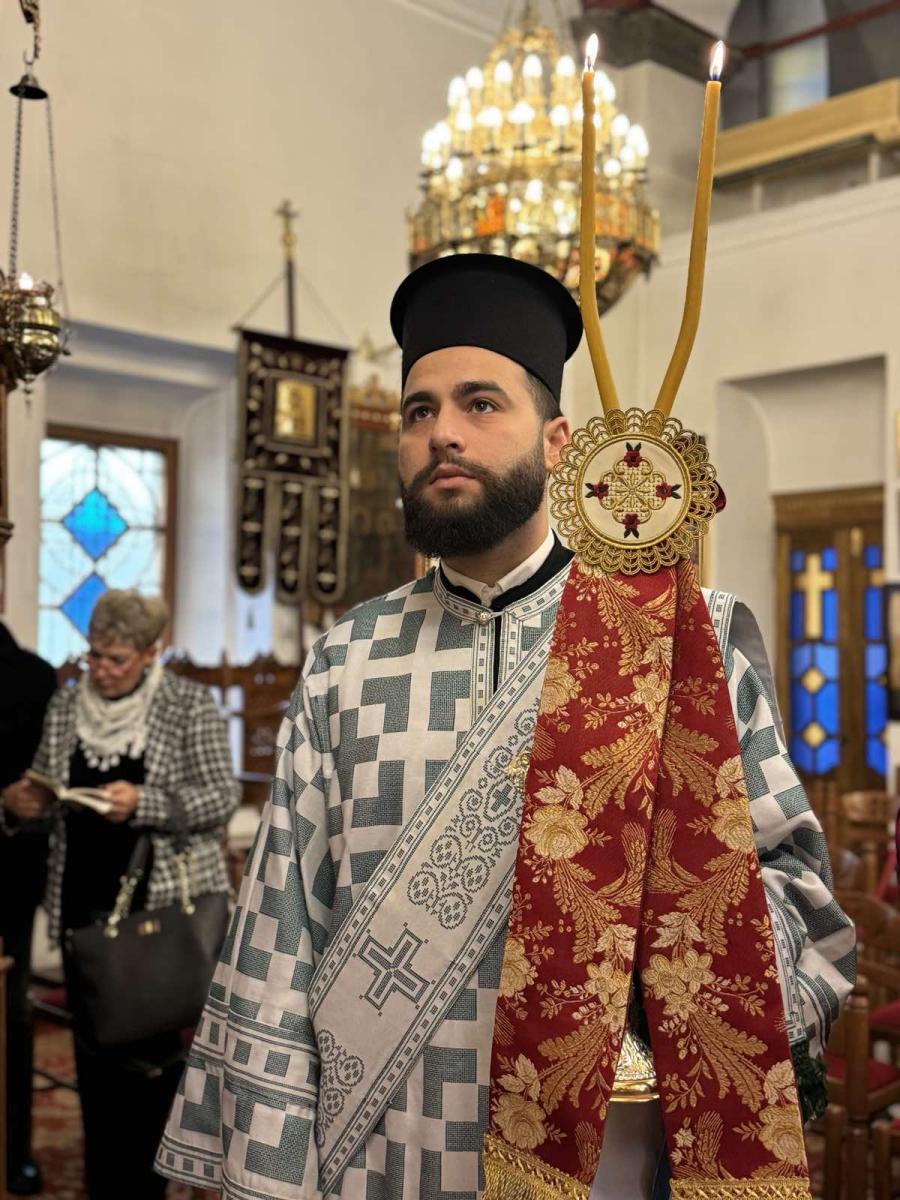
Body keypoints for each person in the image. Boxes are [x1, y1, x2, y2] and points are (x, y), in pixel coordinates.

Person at [157, 255, 855, 1199]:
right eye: (418, 411)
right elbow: (282, 931)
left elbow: (798, 893)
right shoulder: (345, 659)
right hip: (381, 1154)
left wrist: (690, 945)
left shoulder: (678, 638)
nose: (442, 432)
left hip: (605, 1155)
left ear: (559, 441)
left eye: (480, 403)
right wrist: (273, 1173)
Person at [2, 590, 240, 1200]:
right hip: (82, 904)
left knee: (149, 1062)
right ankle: (104, 1185)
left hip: (156, 913)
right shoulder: (67, 704)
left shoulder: (186, 704)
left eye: (116, 659)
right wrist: (24, 804)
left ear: (151, 652)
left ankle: (146, 1185)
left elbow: (220, 797)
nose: (101, 670)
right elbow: (47, 791)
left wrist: (143, 804)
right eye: (94, 656)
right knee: (94, 1059)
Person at [0, 622, 57, 1195]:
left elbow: (43, 790)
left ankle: (11, 1150)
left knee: (10, 1018)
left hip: (7, 881)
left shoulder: (32, 677)